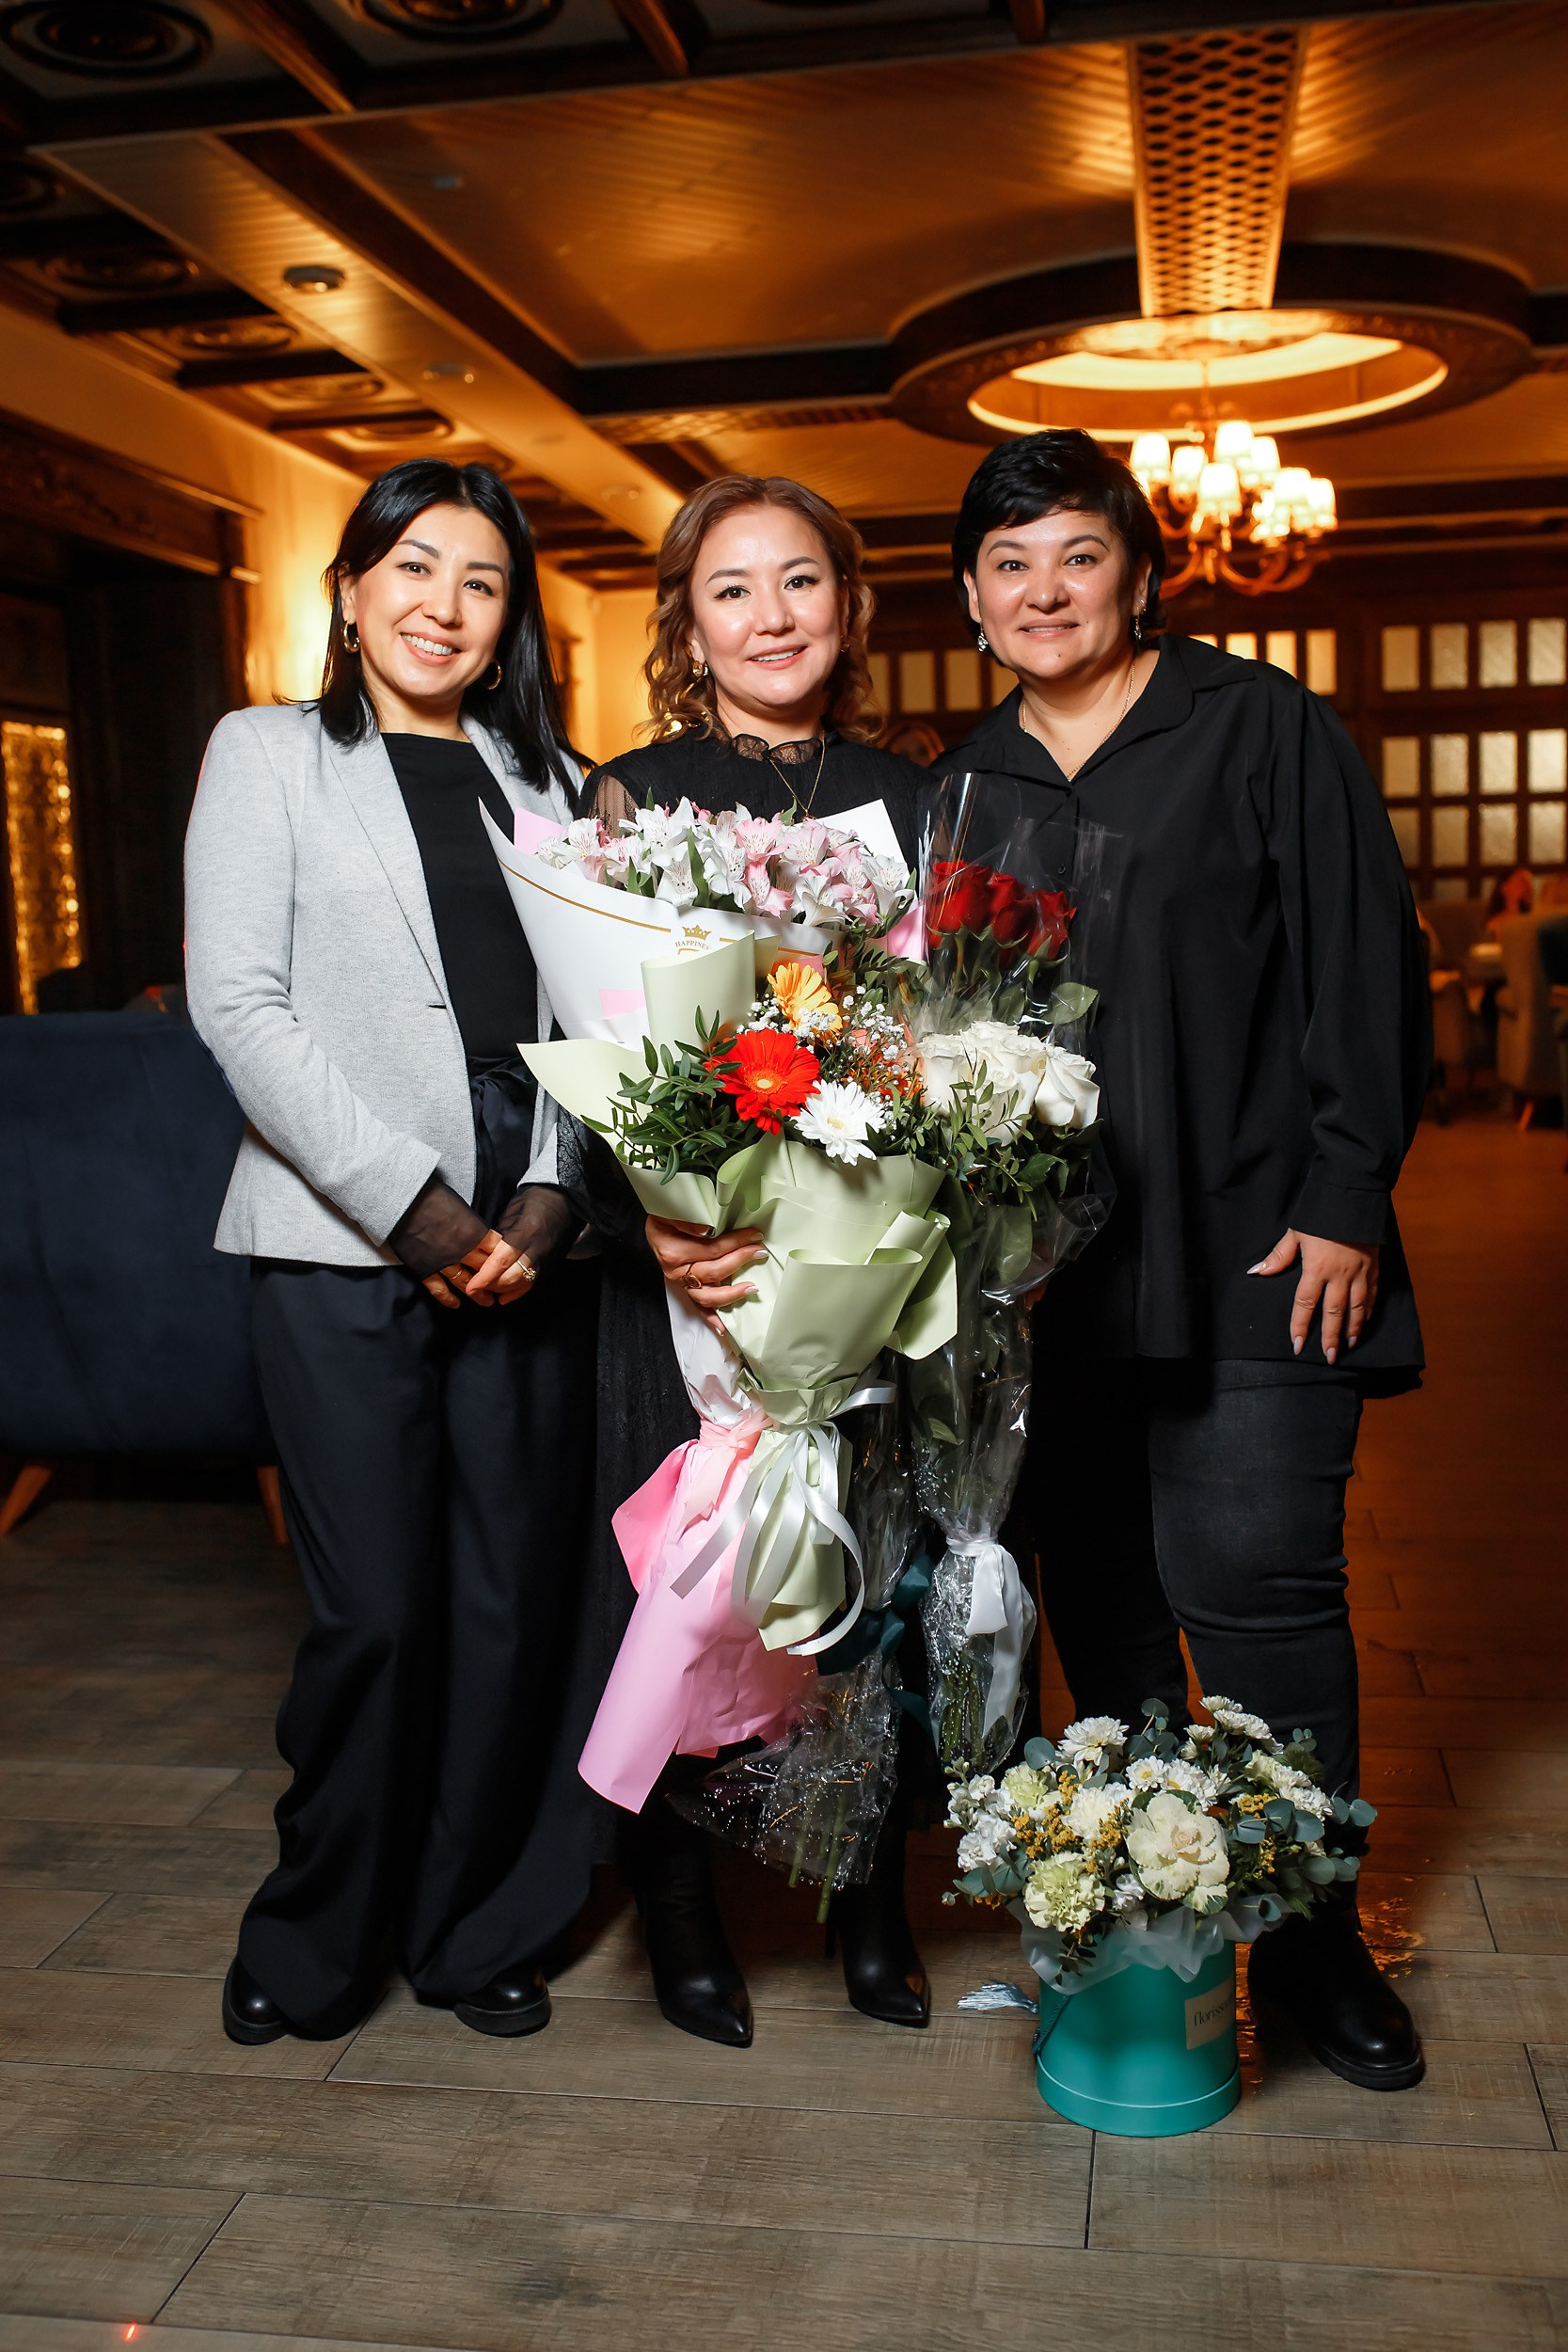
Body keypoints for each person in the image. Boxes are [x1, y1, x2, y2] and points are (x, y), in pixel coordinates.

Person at [942, 429, 1431, 2093]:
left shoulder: (1259, 725)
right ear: (973, 600)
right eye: (1010, 566)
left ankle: (1317, 1948)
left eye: (1077, 556)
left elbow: (1364, 961)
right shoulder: (966, 784)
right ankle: (1169, 1925)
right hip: (1052, 1284)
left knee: (1263, 1592)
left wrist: (1349, 1191)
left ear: (1139, 574)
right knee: (1110, 1618)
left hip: (1259, 1247)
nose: (1045, 591)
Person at [185, 459, 596, 2047]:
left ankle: (470, 1926)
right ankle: (315, 1938)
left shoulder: (553, 785)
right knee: (376, 1613)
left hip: (529, 1239)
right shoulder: (266, 753)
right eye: (414, 567)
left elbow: (601, 1027)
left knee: (504, 1603)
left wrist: (550, 1198)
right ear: (351, 592)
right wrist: (414, 1208)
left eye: (481, 580)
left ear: (509, 621)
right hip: (339, 1233)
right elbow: (239, 1006)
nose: (444, 604)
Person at [571, 473, 931, 2047]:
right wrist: (648, 1212)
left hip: (865, 1247)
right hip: (699, 1266)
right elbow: (596, 1047)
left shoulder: (912, 793)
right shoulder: (634, 796)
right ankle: (679, 1908)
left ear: (847, 604)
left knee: (873, 1581)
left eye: (801, 580)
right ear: (688, 621)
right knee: (697, 1575)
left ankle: (870, 1901)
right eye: (733, 588)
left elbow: (941, 1028)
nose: (772, 615)